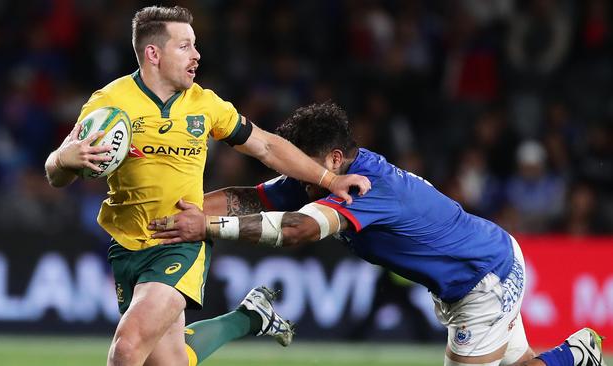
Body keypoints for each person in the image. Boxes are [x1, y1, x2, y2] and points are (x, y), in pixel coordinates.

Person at [150, 102, 607, 366]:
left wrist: (206, 227)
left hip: (480, 277)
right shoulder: (323, 173)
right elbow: (250, 198)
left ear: (332, 158)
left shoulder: (367, 187)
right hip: (482, 259)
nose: (293, 174)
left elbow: (299, 230)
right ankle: (575, 356)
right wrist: (169, 213)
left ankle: (573, 356)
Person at [44, 6, 370, 366]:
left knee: (127, 348)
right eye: (184, 46)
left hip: (180, 242)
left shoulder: (205, 104)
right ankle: (248, 317)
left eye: (194, 46)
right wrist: (62, 161)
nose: (196, 55)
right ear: (153, 53)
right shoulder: (108, 103)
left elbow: (265, 145)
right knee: (170, 361)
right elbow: (58, 171)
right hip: (125, 246)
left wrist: (329, 179)